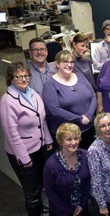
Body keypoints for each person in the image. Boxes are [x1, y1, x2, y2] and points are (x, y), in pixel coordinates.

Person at [0, 62, 53, 216]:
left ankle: (42, 209)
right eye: (18, 76)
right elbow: (11, 133)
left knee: (41, 182)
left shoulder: (33, 93)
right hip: (23, 152)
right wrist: (24, 158)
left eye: (26, 75)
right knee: (32, 191)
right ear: (11, 79)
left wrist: (48, 139)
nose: (23, 79)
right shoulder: (7, 101)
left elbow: (41, 120)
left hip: (38, 147)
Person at [43, 50, 97, 150]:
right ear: (57, 64)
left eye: (72, 62)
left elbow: (93, 95)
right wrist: (79, 118)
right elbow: (54, 110)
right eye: (65, 62)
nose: (69, 65)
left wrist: (89, 114)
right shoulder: (50, 84)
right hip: (68, 135)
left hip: (89, 128)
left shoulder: (80, 76)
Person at [43, 123, 90, 216]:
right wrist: (71, 209)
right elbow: (50, 192)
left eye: (76, 138)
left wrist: (82, 205)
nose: (73, 142)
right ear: (60, 141)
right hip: (61, 211)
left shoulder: (85, 155)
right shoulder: (51, 164)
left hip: (83, 208)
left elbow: (88, 183)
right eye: (69, 139)